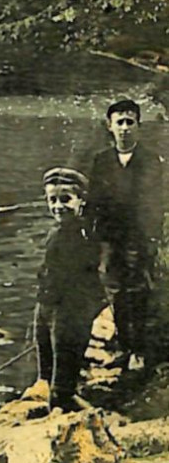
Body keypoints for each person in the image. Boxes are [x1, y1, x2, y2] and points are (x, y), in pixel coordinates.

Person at [85, 99, 165, 370]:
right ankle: (124, 345)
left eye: (130, 122)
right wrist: (94, 235)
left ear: (139, 127)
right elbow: (94, 200)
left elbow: (155, 202)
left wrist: (150, 238)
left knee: (137, 290)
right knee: (115, 291)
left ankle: (139, 350)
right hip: (110, 237)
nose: (125, 128)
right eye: (120, 122)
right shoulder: (101, 161)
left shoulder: (150, 161)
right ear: (110, 127)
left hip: (138, 237)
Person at [28, 167, 104, 412]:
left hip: (70, 310)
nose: (58, 206)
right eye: (53, 200)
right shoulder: (56, 233)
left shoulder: (83, 234)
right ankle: (52, 395)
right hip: (48, 306)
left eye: (65, 199)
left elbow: (85, 277)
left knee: (63, 379)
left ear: (80, 200)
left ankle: (67, 405)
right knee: (45, 366)